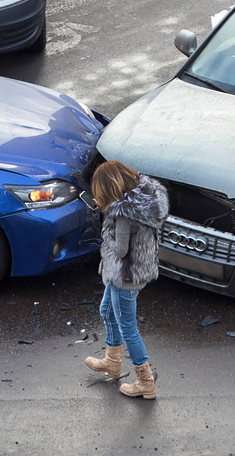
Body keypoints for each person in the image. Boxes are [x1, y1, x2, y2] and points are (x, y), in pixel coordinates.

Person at [82, 160, 168, 399]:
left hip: (125, 275)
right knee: (107, 310)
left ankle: (145, 381)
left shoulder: (122, 214)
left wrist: (104, 229)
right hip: (137, 271)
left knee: (128, 328)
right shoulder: (143, 201)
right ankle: (112, 361)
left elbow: (120, 249)